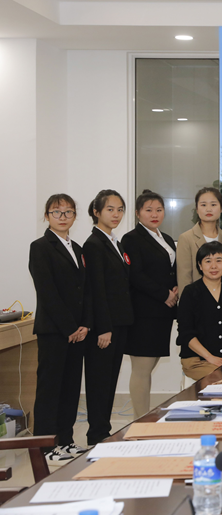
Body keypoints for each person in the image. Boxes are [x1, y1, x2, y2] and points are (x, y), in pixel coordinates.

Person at [29, 194, 89, 464]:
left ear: (75, 216)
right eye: (57, 212)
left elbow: (84, 290)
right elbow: (47, 292)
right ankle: (45, 447)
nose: (63, 217)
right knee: (50, 390)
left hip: (78, 332)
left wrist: (84, 325)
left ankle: (65, 440)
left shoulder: (77, 248)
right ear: (47, 216)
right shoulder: (40, 247)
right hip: (54, 331)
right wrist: (69, 327)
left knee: (70, 389)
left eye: (68, 212)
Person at [120, 190, 178, 419]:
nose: (154, 214)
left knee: (150, 365)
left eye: (159, 210)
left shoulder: (165, 238)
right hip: (143, 313)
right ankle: (140, 420)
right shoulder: (131, 239)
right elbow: (136, 275)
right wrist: (164, 294)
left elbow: (169, 270)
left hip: (162, 312)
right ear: (137, 213)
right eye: (149, 210)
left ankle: (144, 417)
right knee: (142, 369)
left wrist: (175, 289)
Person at [83, 189, 133, 445]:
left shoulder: (115, 242)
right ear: (96, 212)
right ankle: (96, 433)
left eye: (120, 209)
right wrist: (103, 327)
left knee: (110, 379)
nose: (116, 214)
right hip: (105, 327)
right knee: (99, 380)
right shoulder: (93, 245)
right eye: (110, 209)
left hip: (119, 322)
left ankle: (103, 430)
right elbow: (96, 289)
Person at [177, 242, 222, 380]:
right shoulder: (190, 293)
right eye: (208, 261)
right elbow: (186, 333)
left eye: (219, 261)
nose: (214, 266)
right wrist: (210, 358)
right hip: (198, 361)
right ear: (200, 265)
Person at [176, 187, 222, 298]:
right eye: (203, 205)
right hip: (197, 301)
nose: (208, 209)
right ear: (197, 209)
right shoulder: (186, 238)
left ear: (221, 208)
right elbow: (184, 278)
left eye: (213, 205)